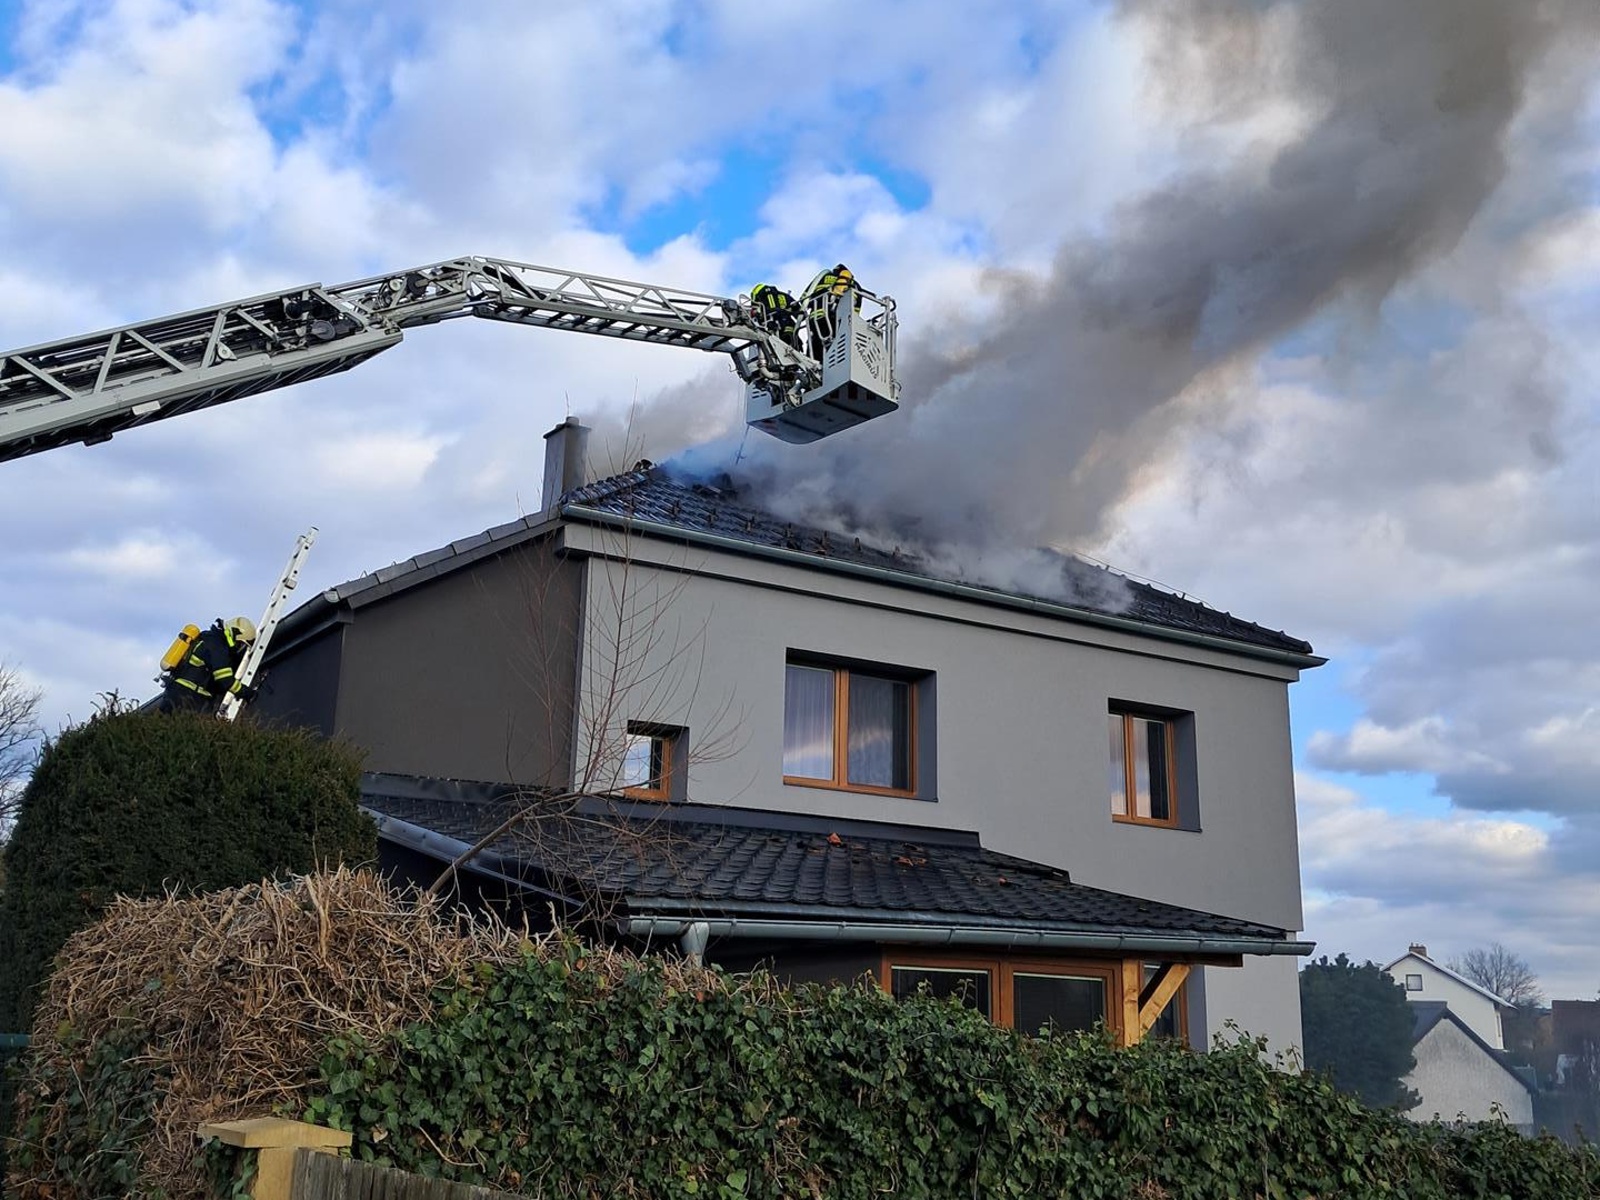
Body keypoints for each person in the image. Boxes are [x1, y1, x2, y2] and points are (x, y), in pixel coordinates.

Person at [159, 616, 256, 714]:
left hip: (175, 693)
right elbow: (225, 680)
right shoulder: (217, 647)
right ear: (234, 634)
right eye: (240, 644)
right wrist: (248, 693)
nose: (239, 648)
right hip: (189, 698)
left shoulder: (208, 638)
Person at [802, 263, 857, 356]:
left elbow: (804, 299)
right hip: (837, 321)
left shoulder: (823, 277)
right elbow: (856, 310)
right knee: (833, 348)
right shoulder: (855, 285)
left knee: (815, 344)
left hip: (815, 319)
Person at [749, 282, 799, 349]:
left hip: (774, 330)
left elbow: (758, 313)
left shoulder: (761, 298)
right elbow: (799, 312)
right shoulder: (784, 295)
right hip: (791, 328)